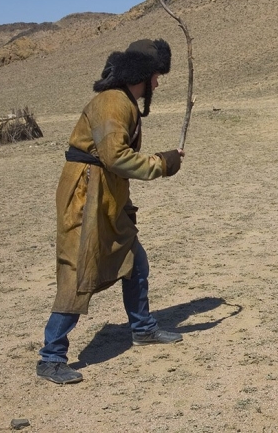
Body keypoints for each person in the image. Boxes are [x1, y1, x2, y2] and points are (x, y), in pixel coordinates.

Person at [37, 39, 185, 384]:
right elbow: (114, 157)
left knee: (135, 262)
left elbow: (114, 164)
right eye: (157, 76)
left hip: (106, 194)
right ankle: (51, 356)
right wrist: (162, 163)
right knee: (78, 272)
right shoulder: (111, 103)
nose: (159, 83)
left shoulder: (124, 102)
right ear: (143, 75)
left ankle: (143, 329)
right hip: (86, 196)